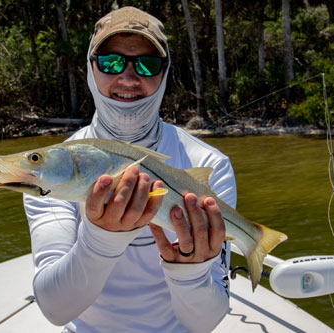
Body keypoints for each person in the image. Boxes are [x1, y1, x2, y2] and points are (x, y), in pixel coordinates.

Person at [24, 6, 237, 332]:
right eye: (110, 62)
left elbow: (205, 322)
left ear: (164, 73)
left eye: (147, 64)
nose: (127, 77)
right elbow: (55, 309)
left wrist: (191, 273)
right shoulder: (56, 167)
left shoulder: (209, 165)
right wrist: (99, 240)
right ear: (90, 69)